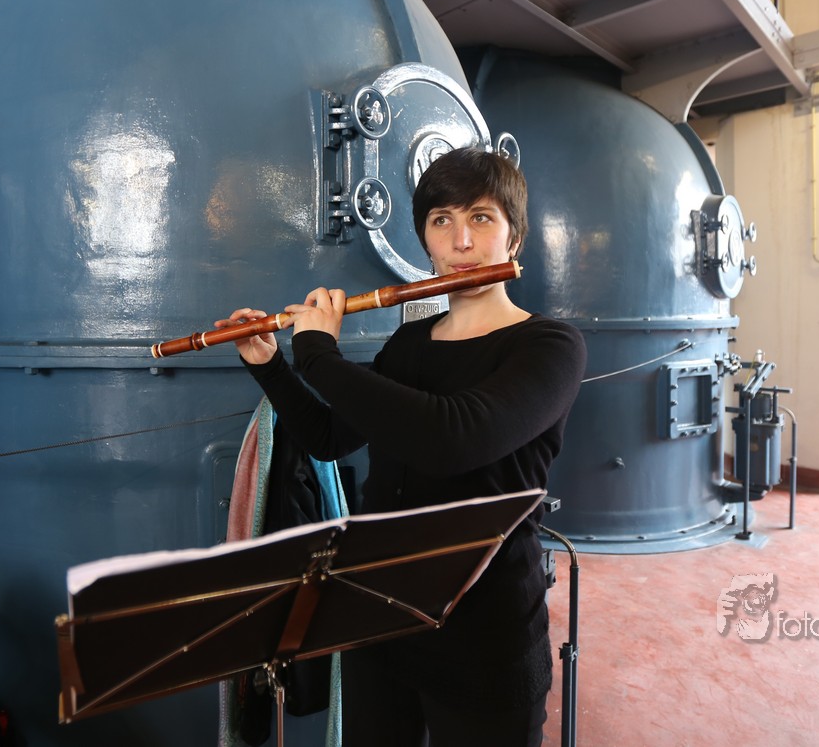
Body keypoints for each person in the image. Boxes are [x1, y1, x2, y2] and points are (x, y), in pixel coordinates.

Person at [216, 147, 586, 746]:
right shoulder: (409, 344)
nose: (461, 241)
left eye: (481, 218)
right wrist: (271, 365)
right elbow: (329, 438)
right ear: (427, 244)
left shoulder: (549, 347)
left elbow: (452, 438)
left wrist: (319, 354)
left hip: (484, 636)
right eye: (442, 221)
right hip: (379, 621)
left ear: (513, 238)